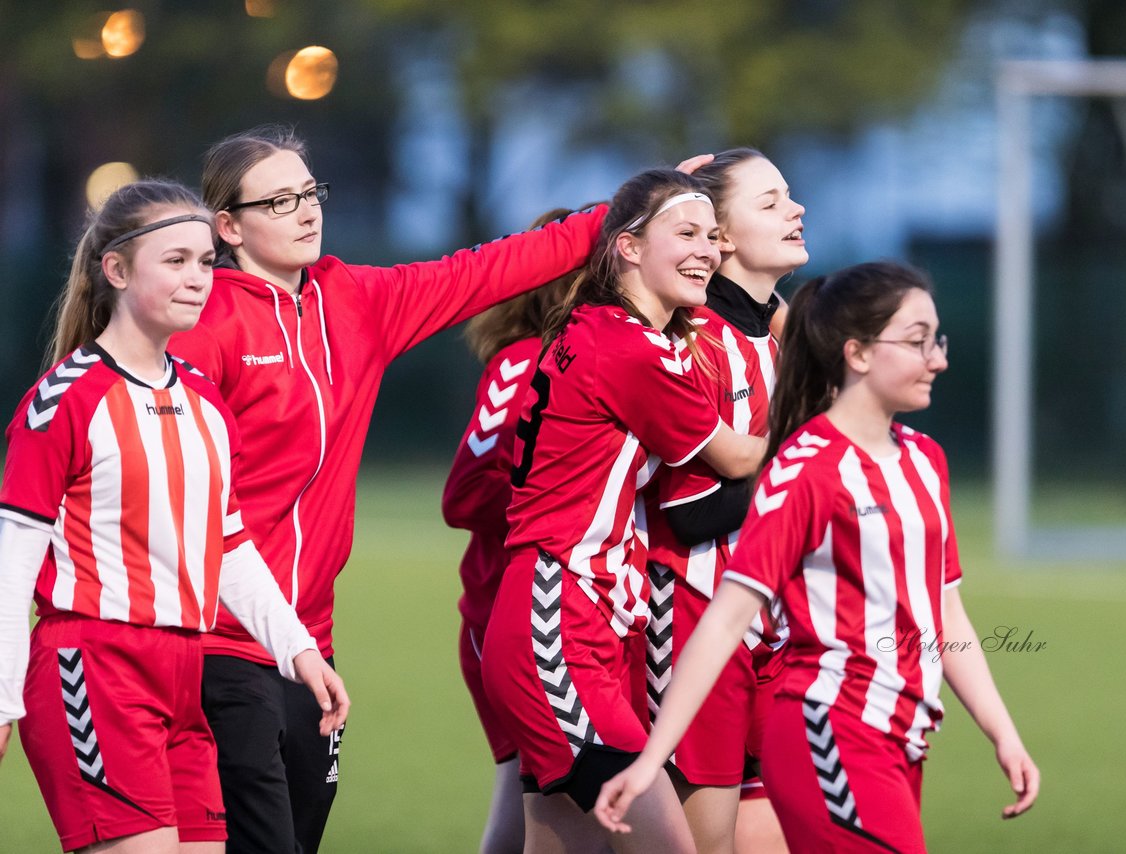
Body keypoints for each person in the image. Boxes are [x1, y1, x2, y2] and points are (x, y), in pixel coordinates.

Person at [165, 125, 610, 854]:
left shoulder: (357, 300)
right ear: (228, 226)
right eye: (280, 201)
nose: (307, 211)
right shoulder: (204, 324)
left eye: (310, 193)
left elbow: (493, 267)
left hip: (311, 642)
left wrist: (631, 207)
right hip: (216, 640)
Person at [596, 262, 1039, 853]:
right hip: (830, 733)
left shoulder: (926, 459)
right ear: (856, 353)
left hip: (903, 741)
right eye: (916, 341)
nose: (938, 358)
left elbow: (945, 615)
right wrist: (651, 761)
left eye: (938, 339)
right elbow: (726, 618)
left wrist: (1003, 734)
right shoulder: (806, 468)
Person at [0, 180, 348, 854]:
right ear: (117, 270)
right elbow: (12, 562)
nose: (198, 279)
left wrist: (298, 648)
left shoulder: (205, 401)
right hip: (93, 667)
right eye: (176, 261)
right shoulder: (64, 400)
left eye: (206, 262)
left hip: (185, 678)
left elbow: (228, 545)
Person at [480, 168, 768, 853]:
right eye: (686, 234)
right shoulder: (630, 348)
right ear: (628, 248)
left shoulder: (608, 328)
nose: (709, 250)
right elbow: (734, 458)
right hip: (558, 616)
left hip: (587, 620)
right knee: (669, 846)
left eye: (713, 236)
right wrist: (827, 431)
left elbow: (753, 313)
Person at [641, 148, 804, 853]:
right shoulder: (698, 340)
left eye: (790, 196)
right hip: (699, 615)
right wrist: (803, 473)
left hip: (777, 620)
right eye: (769, 203)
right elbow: (691, 510)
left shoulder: (781, 336)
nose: (795, 210)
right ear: (723, 237)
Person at [441, 205, 586, 854]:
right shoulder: (523, 362)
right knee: (549, 812)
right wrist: (560, 485)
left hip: (593, 624)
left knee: (552, 810)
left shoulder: (625, 357)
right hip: (515, 615)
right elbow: (464, 494)